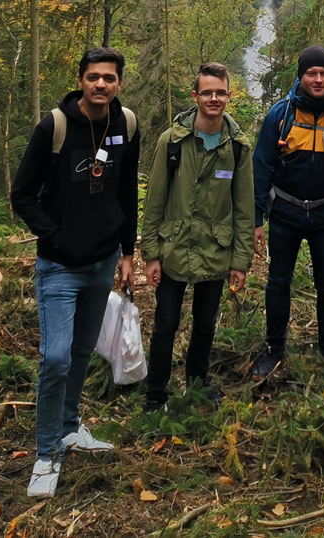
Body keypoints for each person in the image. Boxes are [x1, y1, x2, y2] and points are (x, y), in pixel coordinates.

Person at [10, 48, 140, 497]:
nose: (101, 84)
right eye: (93, 77)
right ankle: (46, 454)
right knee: (56, 358)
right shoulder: (55, 126)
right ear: (81, 80)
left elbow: (126, 189)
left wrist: (127, 252)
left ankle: (69, 427)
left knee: (83, 351)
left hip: (104, 262)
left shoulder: (127, 124)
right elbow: (22, 195)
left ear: (119, 83)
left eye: (109, 78)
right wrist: (56, 236)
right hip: (60, 267)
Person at [249, 46, 324, 379]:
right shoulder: (281, 114)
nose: (318, 79)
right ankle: (274, 350)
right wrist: (256, 219)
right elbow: (261, 168)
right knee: (278, 282)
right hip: (285, 214)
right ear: (300, 76)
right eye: (311, 73)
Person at [141, 63, 253, 412]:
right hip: (173, 248)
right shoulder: (172, 142)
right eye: (207, 92)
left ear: (229, 96)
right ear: (195, 96)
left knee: (205, 326)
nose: (213, 98)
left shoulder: (237, 147)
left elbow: (244, 208)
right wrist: (151, 254)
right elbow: (154, 201)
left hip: (216, 250)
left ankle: (197, 386)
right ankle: (155, 394)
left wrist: (240, 261)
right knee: (165, 325)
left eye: (220, 92)